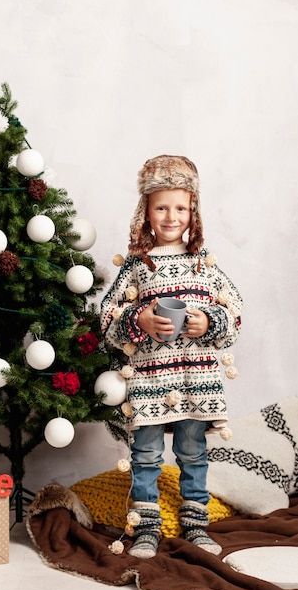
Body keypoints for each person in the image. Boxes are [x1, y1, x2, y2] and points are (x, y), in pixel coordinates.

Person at [100, 155, 242, 559]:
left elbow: (235, 310)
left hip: (195, 381)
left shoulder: (204, 263)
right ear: (145, 211)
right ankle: (147, 527)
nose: (171, 216)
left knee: (193, 453)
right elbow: (107, 314)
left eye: (180, 207)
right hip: (149, 379)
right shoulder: (136, 265)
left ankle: (196, 523)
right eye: (161, 207)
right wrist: (139, 318)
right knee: (145, 454)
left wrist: (209, 322)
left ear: (192, 211)